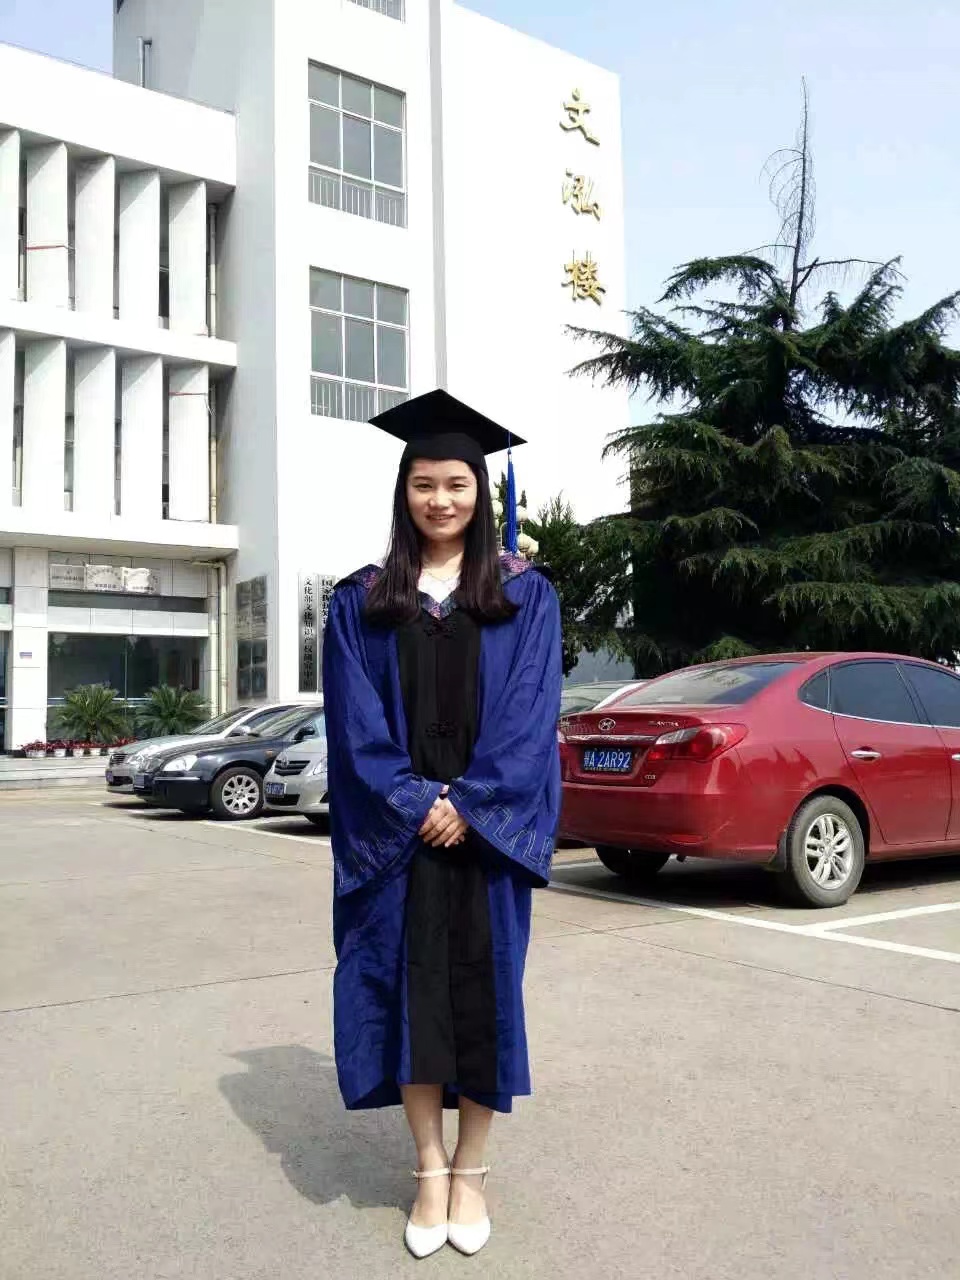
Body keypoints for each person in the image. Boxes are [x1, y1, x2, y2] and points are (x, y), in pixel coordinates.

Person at [321, 389, 562, 1259]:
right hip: (399, 841)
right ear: (404, 492)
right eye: (424, 484)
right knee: (409, 1002)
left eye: (456, 483)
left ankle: (472, 1171)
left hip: (484, 842)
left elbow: (532, 714)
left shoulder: (525, 596)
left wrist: (474, 804)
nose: (440, 499)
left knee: (484, 1002)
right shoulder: (362, 600)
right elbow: (352, 724)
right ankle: (429, 1169)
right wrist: (419, 803)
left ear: (479, 492)